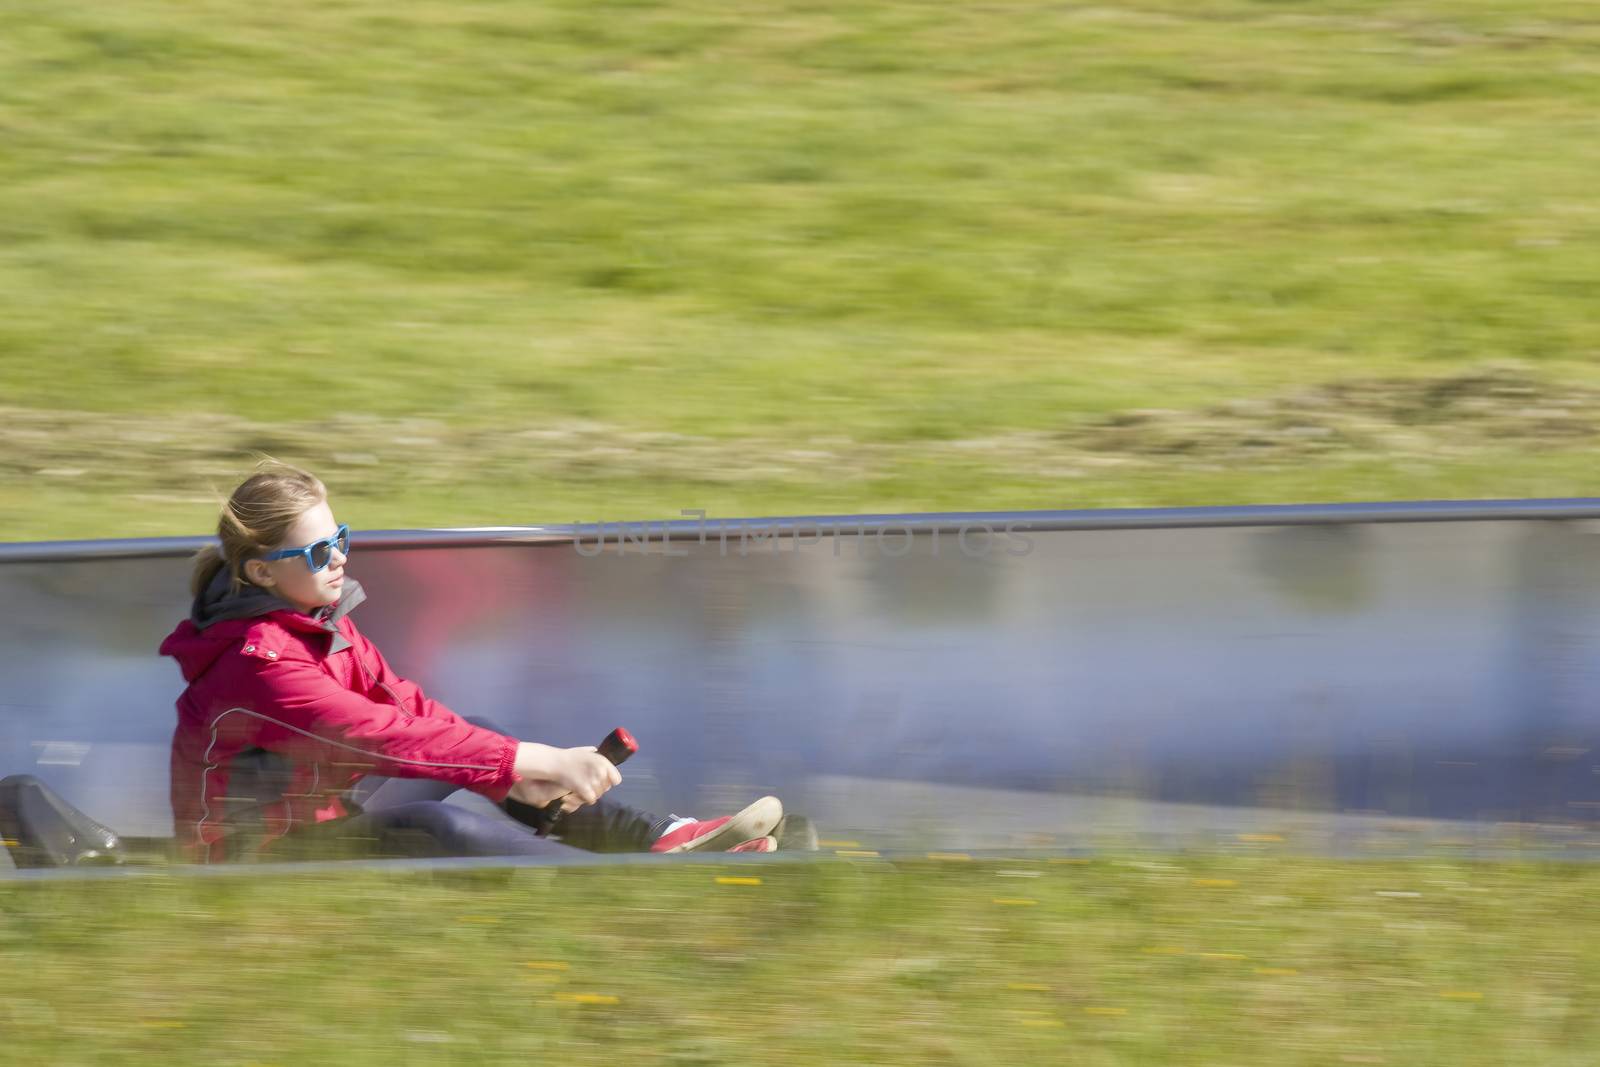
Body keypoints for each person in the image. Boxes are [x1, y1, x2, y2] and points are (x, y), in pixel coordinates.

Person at [159, 460, 783, 864]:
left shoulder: (324, 625)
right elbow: (379, 739)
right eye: (320, 551)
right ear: (263, 571)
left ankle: (657, 838)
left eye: (340, 538)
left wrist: (514, 771)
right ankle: (610, 883)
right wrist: (535, 760)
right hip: (251, 862)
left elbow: (410, 709)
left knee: (473, 736)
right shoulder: (256, 666)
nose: (340, 557)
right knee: (437, 829)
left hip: (317, 819)